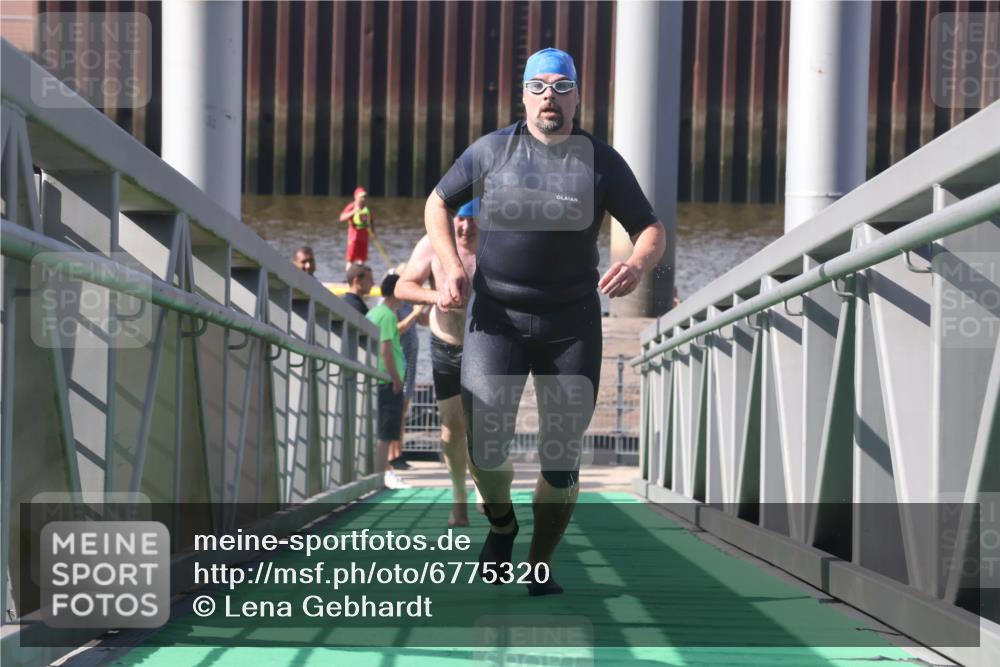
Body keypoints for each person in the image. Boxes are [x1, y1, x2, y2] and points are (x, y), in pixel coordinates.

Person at [424, 48, 667, 595]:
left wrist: (636, 263)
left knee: (561, 457)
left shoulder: (601, 161)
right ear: (525, 95)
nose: (549, 98)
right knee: (486, 443)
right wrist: (446, 265)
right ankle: (502, 527)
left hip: (571, 322)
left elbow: (651, 228)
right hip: (496, 318)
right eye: (539, 87)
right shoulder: (491, 152)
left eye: (561, 87)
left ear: (578, 95)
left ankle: (539, 564)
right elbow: (437, 204)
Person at [395, 198, 480, 526]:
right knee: (451, 430)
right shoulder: (431, 244)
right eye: (459, 219)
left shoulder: (494, 244)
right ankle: (459, 497)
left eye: (473, 219)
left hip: (486, 346)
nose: (465, 227)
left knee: (486, 428)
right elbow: (404, 286)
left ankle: (484, 487)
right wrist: (436, 297)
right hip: (446, 346)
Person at [366, 273, 410, 490]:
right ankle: (380, 477)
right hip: (387, 380)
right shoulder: (388, 316)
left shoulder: (373, 311)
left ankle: (379, 474)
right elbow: (386, 350)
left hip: (377, 378)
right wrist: (395, 378)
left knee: (380, 431)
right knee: (386, 433)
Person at [391, 292, 429, 470]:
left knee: (403, 411)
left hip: (410, 365)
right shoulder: (395, 305)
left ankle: (400, 452)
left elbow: (425, 322)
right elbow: (396, 329)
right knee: (397, 411)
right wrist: (414, 313)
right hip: (400, 363)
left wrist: (427, 305)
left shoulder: (409, 304)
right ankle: (393, 455)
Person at [340, 186, 375, 271]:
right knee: (350, 260)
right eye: (361, 197)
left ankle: (360, 278)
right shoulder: (351, 206)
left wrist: (373, 233)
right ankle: (348, 278)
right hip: (353, 238)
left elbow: (371, 221)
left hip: (364, 238)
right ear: (356, 197)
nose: (363, 199)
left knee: (362, 261)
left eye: (364, 197)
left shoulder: (367, 209)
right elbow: (342, 217)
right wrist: (353, 211)